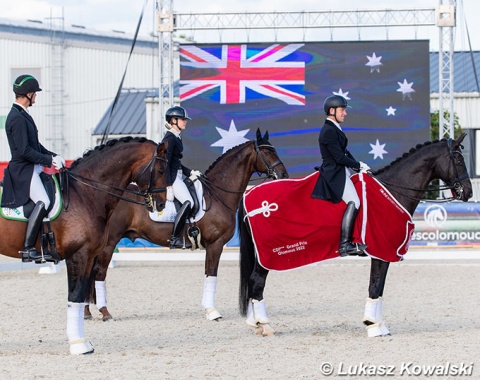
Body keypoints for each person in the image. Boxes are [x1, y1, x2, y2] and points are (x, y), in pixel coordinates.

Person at [1, 74, 65, 262]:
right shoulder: (17, 118)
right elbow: (24, 151)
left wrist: (53, 156)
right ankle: (28, 247)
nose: (36, 96)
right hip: (23, 171)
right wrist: (48, 161)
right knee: (44, 201)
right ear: (28, 94)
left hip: (32, 168)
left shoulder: (23, 115)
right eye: (35, 93)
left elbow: (35, 145)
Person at [311, 95, 369, 256]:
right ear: (332, 110)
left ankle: (356, 239)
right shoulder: (328, 131)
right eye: (342, 110)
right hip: (334, 173)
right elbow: (338, 157)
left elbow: (345, 152)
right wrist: (357, 165)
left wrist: (358, 166)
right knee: (354, 201)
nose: (345, 113)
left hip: (342, 171)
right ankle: (345, 245)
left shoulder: (334, 128)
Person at [162, 106, 202, 249]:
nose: (185, 122)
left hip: (177, 174)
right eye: (183, 119)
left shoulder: (176, 137)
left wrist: (190, 172)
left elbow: (176, 163)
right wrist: (168, 185)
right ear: (174, 120)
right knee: (188, 202)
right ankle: (174, 238)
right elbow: (165, 163)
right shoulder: (170, 138)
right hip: (172, 178)